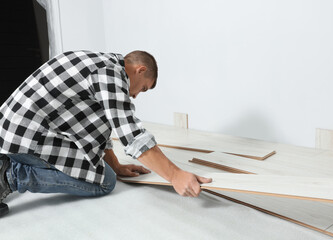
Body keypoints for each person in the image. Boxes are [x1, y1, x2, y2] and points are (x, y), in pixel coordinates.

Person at [0, 50, 212, 217]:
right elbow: (131, 134)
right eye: (144, 88)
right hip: (23, 139)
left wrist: (116, 165)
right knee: (104, 182)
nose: (137, 95)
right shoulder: (109, 75)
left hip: (13, 132)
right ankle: (9, 175)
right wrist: (175, 175)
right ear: (140, 70)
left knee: (108, 171)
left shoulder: (100, 64)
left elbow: (97, 128)